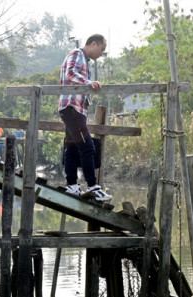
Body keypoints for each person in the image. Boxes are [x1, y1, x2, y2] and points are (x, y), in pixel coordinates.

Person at [58, 34, 112, 202]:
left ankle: (72, 186)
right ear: (93, 44)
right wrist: (89, 82)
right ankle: (93, 186)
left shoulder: (85, 60)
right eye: (101, 49)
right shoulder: (77, 53)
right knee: (88, 147)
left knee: (72, 148)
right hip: (72, 107)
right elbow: (70, 74)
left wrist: (88, 83)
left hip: (75, 109)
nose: (101, 54)